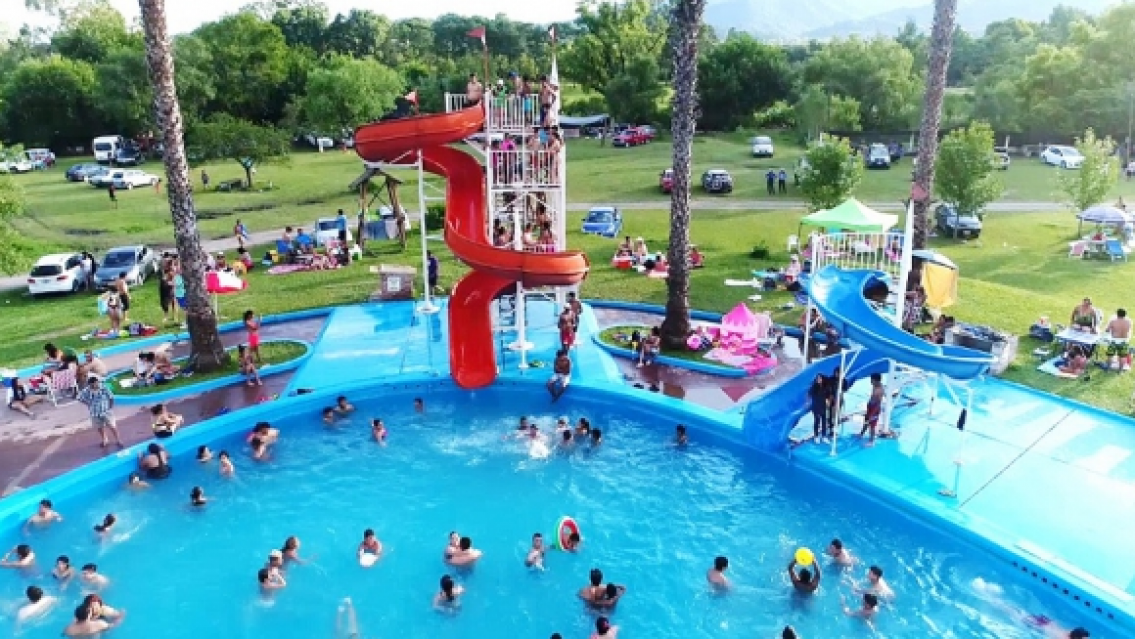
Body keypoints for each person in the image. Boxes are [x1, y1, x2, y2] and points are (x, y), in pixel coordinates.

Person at [78, 376, 122, 448]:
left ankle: (118, 439)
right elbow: (79, 398)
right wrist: (88, 403)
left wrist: (110, 407)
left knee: (112, 426)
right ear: (90, 384)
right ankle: (105, 439)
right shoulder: (86, 390)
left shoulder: (104, 388)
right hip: (94, 412)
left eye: (96, 383)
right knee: (99, 427)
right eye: (93, 384)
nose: (95, 385)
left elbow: (111, 397)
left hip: (106, 410)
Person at [859, 373, 885, 445]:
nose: (871, 381)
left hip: (875, 408)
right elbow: (872, 397)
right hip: (870, 406)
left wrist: (872, 413)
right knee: (866, 420)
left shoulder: (880, 390)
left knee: (872, 425)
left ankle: (871, 441)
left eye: (872, 380)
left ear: (876, 380)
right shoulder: (874, 385)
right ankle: (861, 434)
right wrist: (868, 406)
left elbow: (878, 403)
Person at [808, 374, 828, 444]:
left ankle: (824, 436)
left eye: (820, 378)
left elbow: (826, 395)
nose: (819, 380)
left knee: (824, 422)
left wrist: (827, 400)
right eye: (818, 379)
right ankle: (816, 436)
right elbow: (809, 395)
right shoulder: (813, 387)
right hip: (816, 406)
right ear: (816, 380)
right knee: (817, 421)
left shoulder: (824, 387)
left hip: (823, 406)